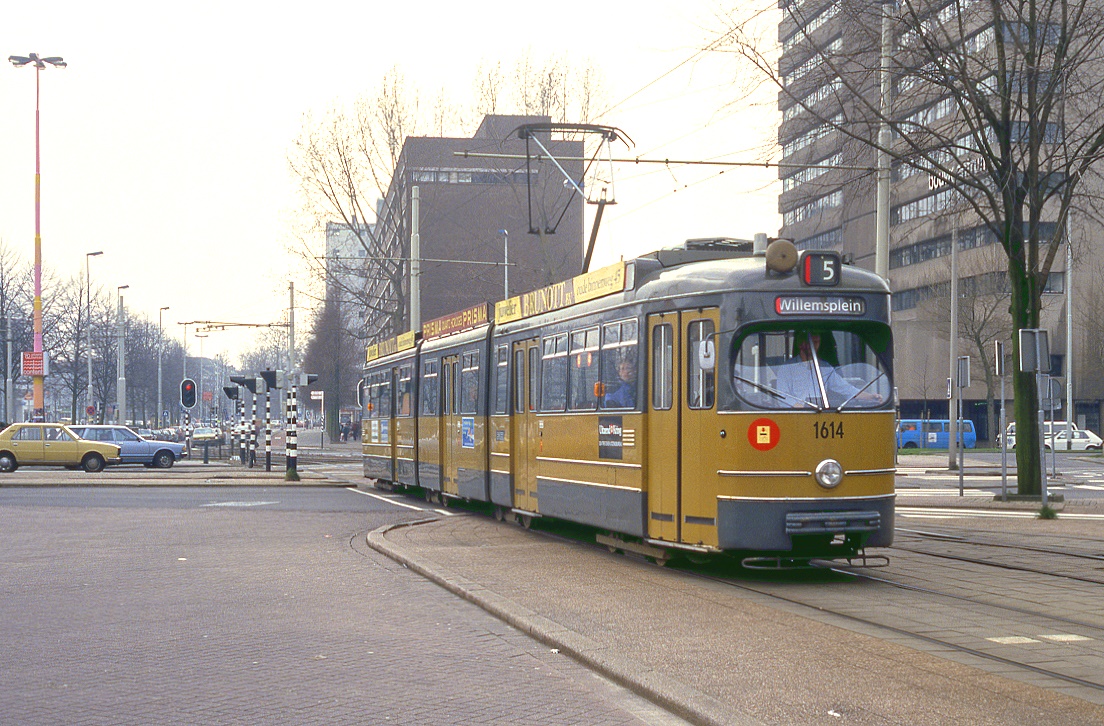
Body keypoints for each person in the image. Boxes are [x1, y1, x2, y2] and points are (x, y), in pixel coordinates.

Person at [773, 331, 865, 408]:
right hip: (796, 416)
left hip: (821, 414)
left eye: (816, 342)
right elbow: (782, 396)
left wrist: (871, 397)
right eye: (811, 343)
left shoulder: (825, 367)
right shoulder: (787, 368)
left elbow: (846, 389)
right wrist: (801, 408)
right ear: (801, 344)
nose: (814, 347)